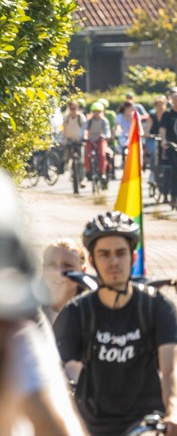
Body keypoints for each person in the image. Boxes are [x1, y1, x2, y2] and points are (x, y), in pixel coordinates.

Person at [54, 212, 177, 436]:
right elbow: (51, 373)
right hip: (90, 423)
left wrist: (173, 412)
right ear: (93, 260)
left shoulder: (157, 307)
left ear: (133, 258)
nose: (113, 261)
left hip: (145, 421)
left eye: (120, 253)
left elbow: (170, 368)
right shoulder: (76, 312)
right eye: (104, 254)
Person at [0, 171, 86, 436]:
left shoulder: (17, 325)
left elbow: (56, 420)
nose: (58, 274)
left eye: (67, 267)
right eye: (51, 266)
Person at [41, 239, 87, 324]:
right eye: (52, 265)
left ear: (83, 271)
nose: (58, 272)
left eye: (67, 266)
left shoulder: (92, 311)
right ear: (44, 270)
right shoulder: (29, 311)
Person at [83, 101, 111, 184]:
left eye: (98, 111)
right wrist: (83, 137)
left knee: (102, 155)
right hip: (90, 140)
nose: (96, 113)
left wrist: (106, 136)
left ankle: (102, 172)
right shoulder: (89, 121)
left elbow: (107, 131)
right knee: (87, 155)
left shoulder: (104, 121)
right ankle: (88, 172)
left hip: (100, 140)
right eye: (95, 111)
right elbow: (83, 129)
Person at [62, 99, 87, 185]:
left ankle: (82, 179)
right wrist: (64, 139)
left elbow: (85, 128)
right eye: (71, 108)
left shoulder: (81, 117)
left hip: (79, 140)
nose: (73, 109)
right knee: (68, 156)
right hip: (69, 139)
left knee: (81, 160)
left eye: (74, 107)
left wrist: (84, 138)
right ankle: (69, 169)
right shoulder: (66, 117)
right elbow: (64, 129)